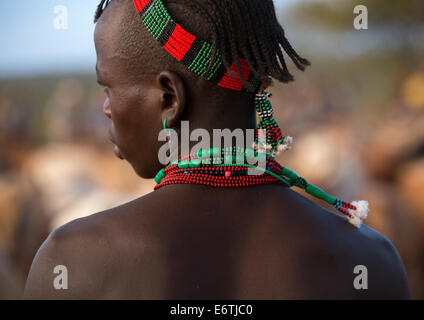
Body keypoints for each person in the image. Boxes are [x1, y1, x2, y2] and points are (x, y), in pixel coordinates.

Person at [23, 0, 410, 299]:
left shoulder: (73, 261)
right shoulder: (371, 259)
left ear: (169, 97)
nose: (106, 108)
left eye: (107, 88)